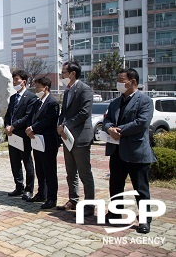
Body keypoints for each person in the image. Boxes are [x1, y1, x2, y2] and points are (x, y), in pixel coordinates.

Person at [103, 68, 156, 234]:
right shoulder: (115, 102)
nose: (118, 83)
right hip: (117, 151)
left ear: (133, 82)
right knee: (115, 185)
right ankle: (115, 212)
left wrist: (118, 130)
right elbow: (107, 119)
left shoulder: (145, 101)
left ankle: (145, 220)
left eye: (122, 80)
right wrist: (109, 127)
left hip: (136, 151)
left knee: (140, 189)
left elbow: (141, 123)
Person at [57, 61, 95, 217]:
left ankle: (89, 206)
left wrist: (65, 125)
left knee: (85, 173)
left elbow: (84, 113)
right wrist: (60, 125)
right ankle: (73, 199)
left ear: (72, 73)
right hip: (67, 138)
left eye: (63, 73)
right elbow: (64, 112)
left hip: (80, 137)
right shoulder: (67, 91)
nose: (62, 76)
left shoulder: (85, 90)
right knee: (71, 172)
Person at [25, 77, 60, 209]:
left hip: (48, 141)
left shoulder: (52, 103)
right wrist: (30, 129)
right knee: (39, 169)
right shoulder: (36, 102)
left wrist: (33, 128)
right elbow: (30, 118)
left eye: (38, 87)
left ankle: (52, 198)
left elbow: (48, 120)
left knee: (49, 171)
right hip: (36, 140)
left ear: (45, 87)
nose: (36, 90)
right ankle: (41, 193)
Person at [4, 70, 37, 200]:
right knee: (14, 162)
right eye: (13, 79)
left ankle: (29, 189)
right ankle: (19, 186)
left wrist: (14, 126)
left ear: (24, 81)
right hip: (12, 135)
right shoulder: (13, 97)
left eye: (16, 79)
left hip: (23, 135)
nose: (14, 82)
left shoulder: (31, 97)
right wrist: (7, 126)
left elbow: (28, 116)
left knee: (27, 162)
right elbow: (8, 115)